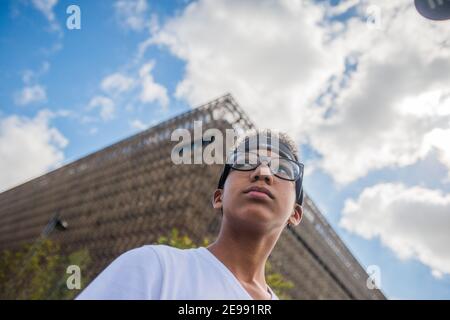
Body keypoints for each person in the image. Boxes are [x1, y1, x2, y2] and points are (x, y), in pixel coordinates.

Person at [76, 129, 304, 300]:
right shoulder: (155, 269)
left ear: (295, 213)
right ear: (219, 197)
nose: (262, 172)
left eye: (282, 169)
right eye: (245, 162)